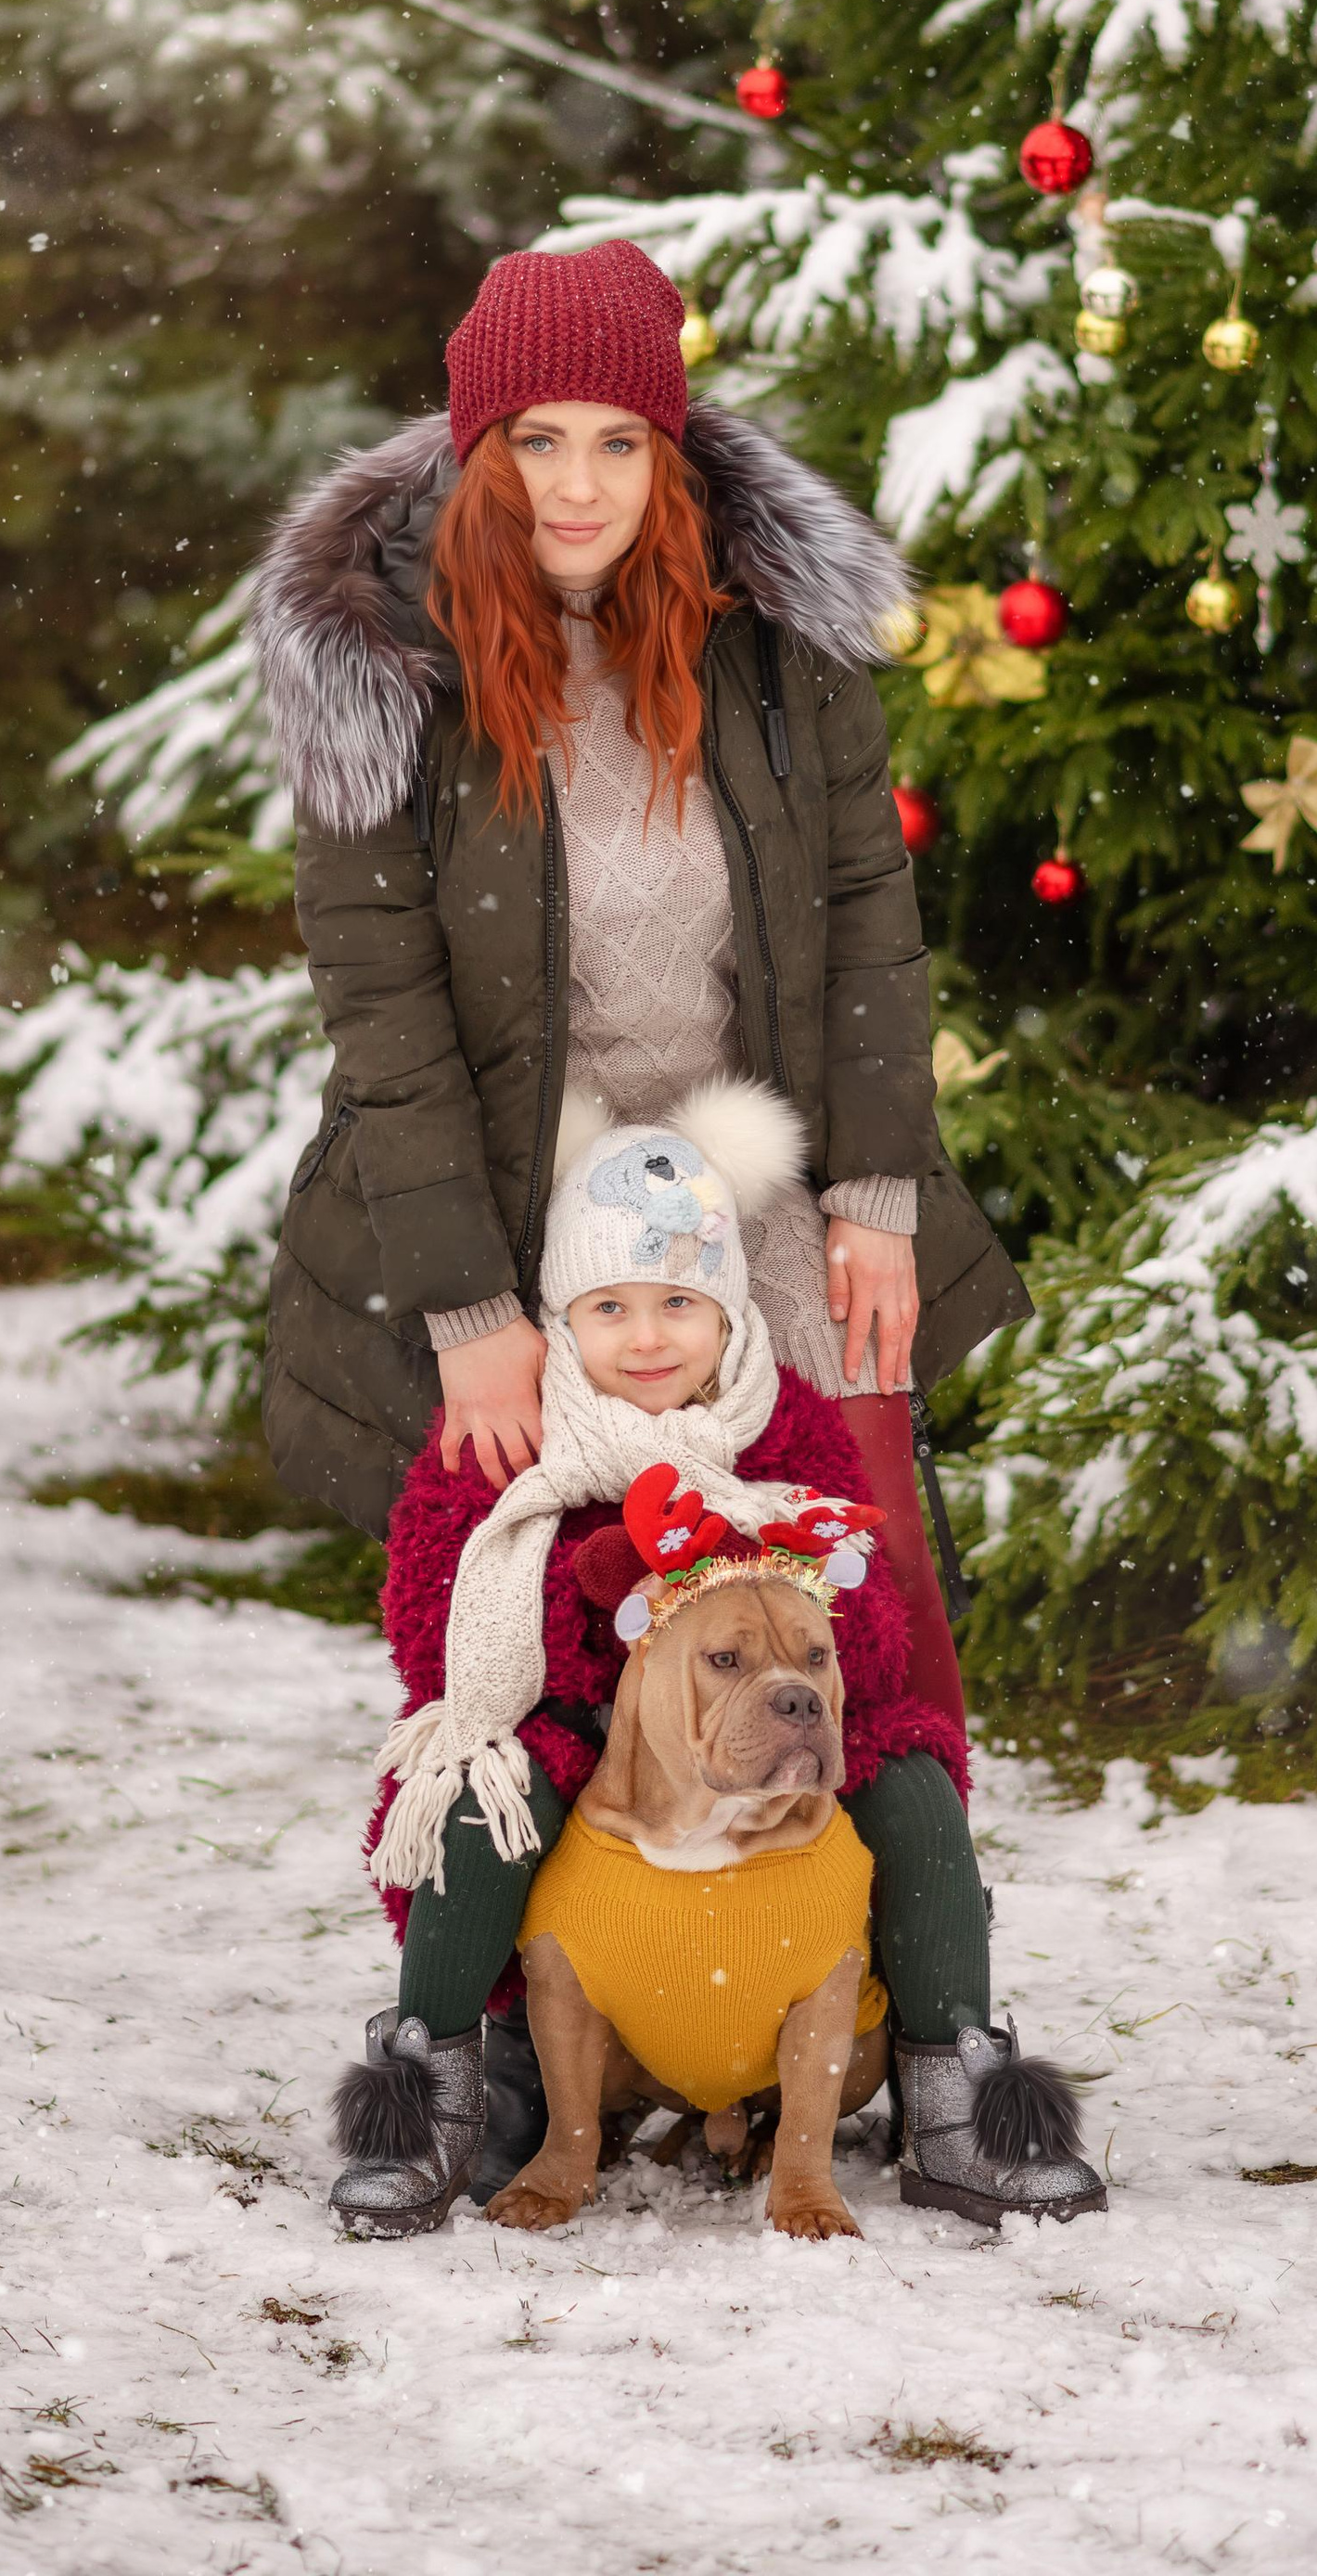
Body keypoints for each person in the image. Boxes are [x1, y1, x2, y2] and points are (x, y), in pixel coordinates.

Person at [254, 238, 1089, 2221]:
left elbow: (866, 931)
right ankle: (470, 2044)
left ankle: (933, 2037)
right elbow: (384, 1031)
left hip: (765, 1180)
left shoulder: (774, 650)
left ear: (669, 448)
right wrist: (468, 1308)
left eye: (611, 438)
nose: (568, 482)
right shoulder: (385, 675)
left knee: (868, 1625)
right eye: (529, 438)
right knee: (524, 1633)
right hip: (515, 1208)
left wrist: (873, 1201)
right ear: (472, 452)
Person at [328, 1085, 1100, 2236]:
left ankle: (953, 2093)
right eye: (611, 1306)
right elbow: (427, 1614)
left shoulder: (781, 1422)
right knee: (476, 1798)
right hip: (564, 1719)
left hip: (758, 1710)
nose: (648, 1338)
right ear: (560, 1320)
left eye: (680, 1302)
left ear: (728, 1313)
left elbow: (869, 1631)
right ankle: (433, 2089)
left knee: (916, 1784)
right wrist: (617, 1667)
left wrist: (769, 1591)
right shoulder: (509, 1427)